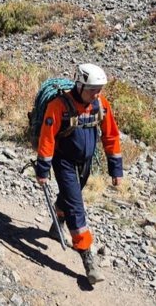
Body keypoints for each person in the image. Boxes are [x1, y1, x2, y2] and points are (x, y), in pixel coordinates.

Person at [34, 63, 123, 285]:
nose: (97, 94)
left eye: (100, 89)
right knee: (76, 205)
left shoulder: (100, 104)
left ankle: (57, 226)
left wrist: (116, 169)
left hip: (85, 163)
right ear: (80, 85)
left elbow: (110, 134)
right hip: (62, 161)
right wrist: (43, 169)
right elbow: (47, 137)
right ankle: (87, 258)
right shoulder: (58, 106)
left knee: (68, 198)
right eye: (93, 89)